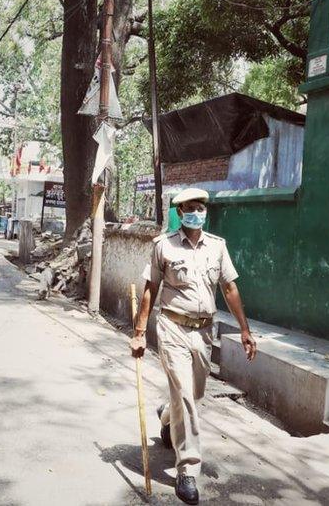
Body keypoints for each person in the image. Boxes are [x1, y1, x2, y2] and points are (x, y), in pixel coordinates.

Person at [131, 187, 257, 505]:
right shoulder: (164, 246)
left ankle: (166, 416)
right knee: (186, 397)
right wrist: (139, 332)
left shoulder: (217, 247)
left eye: (200, 207)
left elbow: (229, 287)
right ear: (180, 212)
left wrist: (245, 329)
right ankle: (187, 469)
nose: (196, 212)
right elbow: (150, 290)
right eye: (190, 207)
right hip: (172, 327)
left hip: (203, 333)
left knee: (195, 395)